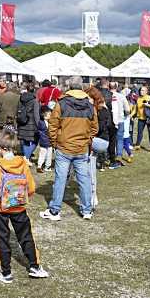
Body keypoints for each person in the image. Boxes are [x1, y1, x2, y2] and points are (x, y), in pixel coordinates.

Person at [0, 128, 49, 283]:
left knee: (2, 238)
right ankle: (35, 266)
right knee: (26, 236)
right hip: (19, 206)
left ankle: (5, 272)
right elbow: (31, 188)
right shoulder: (23, 165)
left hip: (0, 208)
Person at [40, 76, 98, 221]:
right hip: (80, 148)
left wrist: (54, 143)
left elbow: (52, 125)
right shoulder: (90, 105)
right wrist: (87, 140)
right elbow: (94, 128)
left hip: (65, 147)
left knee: (60, 179)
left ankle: (55, 211)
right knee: (83, 179)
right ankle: (86, 210)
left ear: (70, 87)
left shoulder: (62, 104)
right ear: (82, 87)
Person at [86, 87, 111, 171]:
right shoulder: (94, 109)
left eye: (88, 98)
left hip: (101, 141)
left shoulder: (102, 111)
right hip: (96, 139)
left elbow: (100, 128)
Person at [17, 82, 40, 162]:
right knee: (35, 141)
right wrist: (39, 125)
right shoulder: (35, 101)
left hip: (22, 122)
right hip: (31, 124)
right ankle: (26, 157)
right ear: (34, 90)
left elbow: (18, 110)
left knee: (25, 142)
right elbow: (36, 115)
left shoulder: (21, 98)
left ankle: (26, 156)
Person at [110, 82, 131, 165]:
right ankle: (119, 155)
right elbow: (127, 110)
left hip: (110, 120)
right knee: (120, 139)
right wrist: (125, 114)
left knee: (111, 139)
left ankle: (110, 155)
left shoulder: (106, 95)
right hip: (120, 120)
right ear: (117, 87)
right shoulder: (121, 96)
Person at [135, 86, 150, 152]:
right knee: (139, 132)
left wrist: (147, 105)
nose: (141, 91)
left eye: (143, 90)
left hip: (149, 118)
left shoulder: (149, 98)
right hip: (141, 118)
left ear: (146, 91)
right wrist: (131, 115)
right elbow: (136, 108)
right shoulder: (139, 98)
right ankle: (138, 145)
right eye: (141, 90)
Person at [36, 106, 52, 173]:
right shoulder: (45, 123)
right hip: (47, 141)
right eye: (49, 114)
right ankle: (47, 166)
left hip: (43, 141)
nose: (50, 116)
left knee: (42, 154)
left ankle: (40, 165)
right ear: (44, 115)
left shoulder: (41, 122)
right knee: (49, 154)